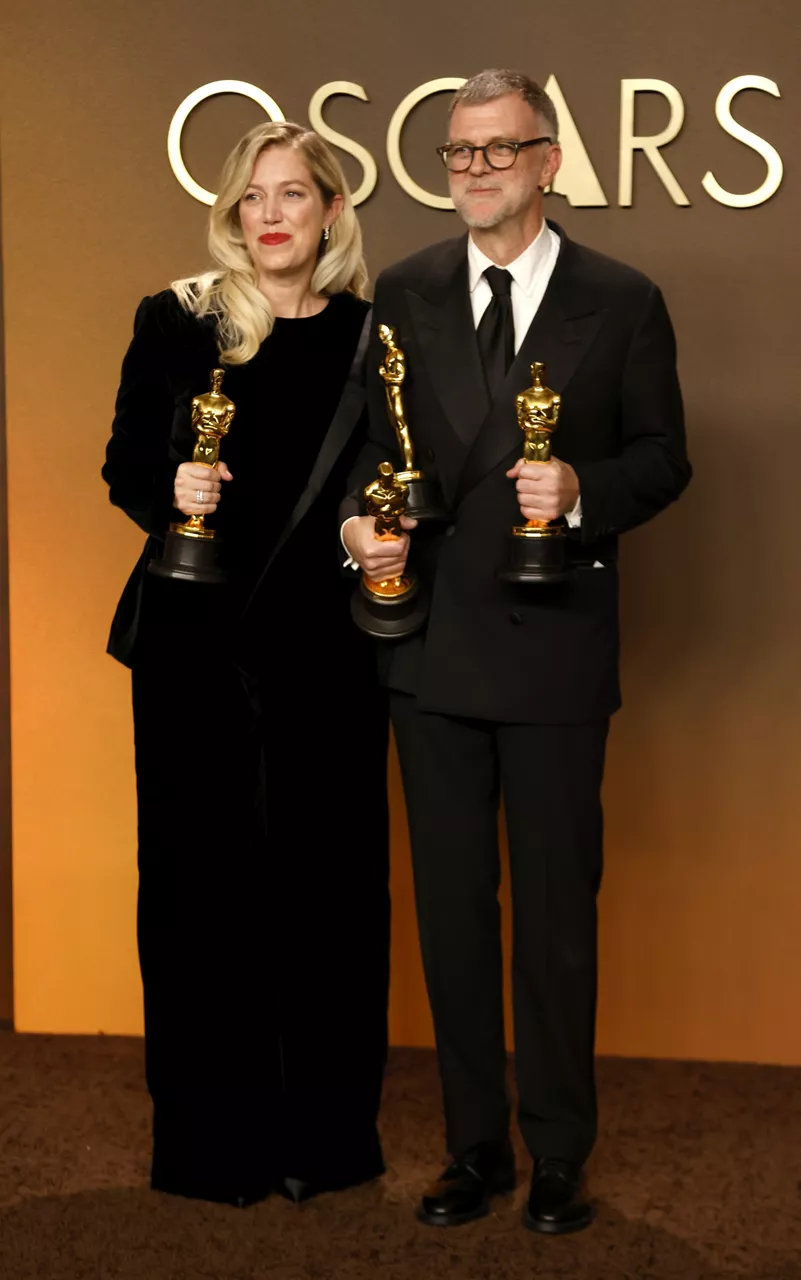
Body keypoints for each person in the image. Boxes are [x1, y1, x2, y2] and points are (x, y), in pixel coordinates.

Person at [342, 69, 691, 1234]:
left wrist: (583, 486)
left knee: (552, 916)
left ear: (549, 162)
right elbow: (369, 453)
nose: (475, 170)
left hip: (553, 646)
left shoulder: (624, 296)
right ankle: (473, 1148)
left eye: (500, 150)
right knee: (451, 912)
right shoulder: (405, 288)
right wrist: (358, 524)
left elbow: (665, 456)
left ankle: (557, 1152)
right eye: (458, 152)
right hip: (430, 645)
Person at [103, 120, 389, 1207]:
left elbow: (386, 477)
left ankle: (323, 1138)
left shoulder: (373, 334)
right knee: (196, 892)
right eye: (254, 196)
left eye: (294, 195)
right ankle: (209, 1146)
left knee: (329, 892)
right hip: (192, 650)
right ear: (233, 213)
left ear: (329, 213)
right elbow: (124, 458)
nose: (271, 214)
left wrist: (372, 530)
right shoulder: (177, 318)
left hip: (327, 654)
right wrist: (169, 486)